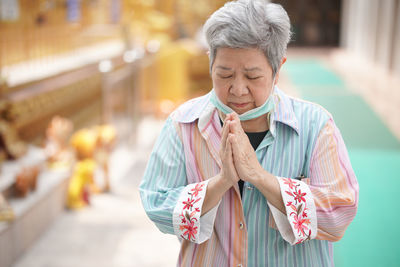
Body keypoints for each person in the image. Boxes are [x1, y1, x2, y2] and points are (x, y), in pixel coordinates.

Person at [139, 0, 359, 266]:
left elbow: (339, 213)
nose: (238, 89)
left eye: (253, 77)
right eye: (225, 74)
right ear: (210, 63)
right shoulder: (183, 124)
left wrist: (260, 177)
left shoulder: (315, 125)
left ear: (278, 69)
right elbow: (156, 203)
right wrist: (220, 183)